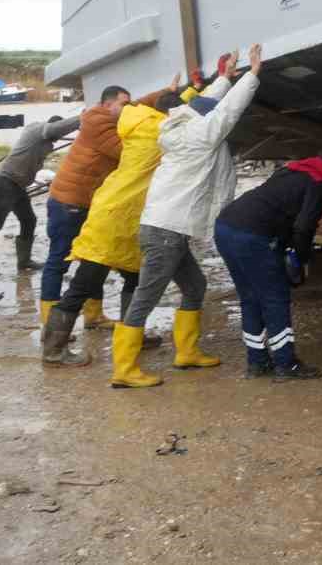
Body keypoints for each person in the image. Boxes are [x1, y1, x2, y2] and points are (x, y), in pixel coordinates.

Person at [111, 44, 264, 388]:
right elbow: (225, 113)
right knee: (146, 297)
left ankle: (187, 353)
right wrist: (252, 76)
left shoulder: (182, 125)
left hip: (169, 229)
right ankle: (123, 368)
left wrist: (224, 77)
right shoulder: (199, 135)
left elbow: (208, 103)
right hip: (166, 231)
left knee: (195, 286)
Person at [39, 73, 198, 371]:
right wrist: (206, 94)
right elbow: (172, 120)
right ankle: (53, 348)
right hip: (110, 220)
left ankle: (131, 332)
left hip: (123, 219)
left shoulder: (134, 121)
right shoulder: (147, 135)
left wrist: (179, 92)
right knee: (84, 282)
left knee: (133, 277)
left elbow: (146, 106)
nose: (129, 107)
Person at [214, 139, 322, 381]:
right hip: (251, 234)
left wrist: (285, 248)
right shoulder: (319, 183)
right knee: (275, 297)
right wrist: (300, 258)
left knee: (250, 297)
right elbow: (304, 226)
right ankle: (286, 364)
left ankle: (257, 363)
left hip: (225, 226)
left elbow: (284, 213)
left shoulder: (292, 170)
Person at [0, 113, 80, 276]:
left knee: (29, 220)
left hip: (17, 185)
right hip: (6, 182)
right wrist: (83, 117)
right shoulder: (39, 129)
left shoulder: (47, 142)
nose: (58, 138)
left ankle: (24, 261)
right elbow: (55, 128)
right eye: (59, 133)